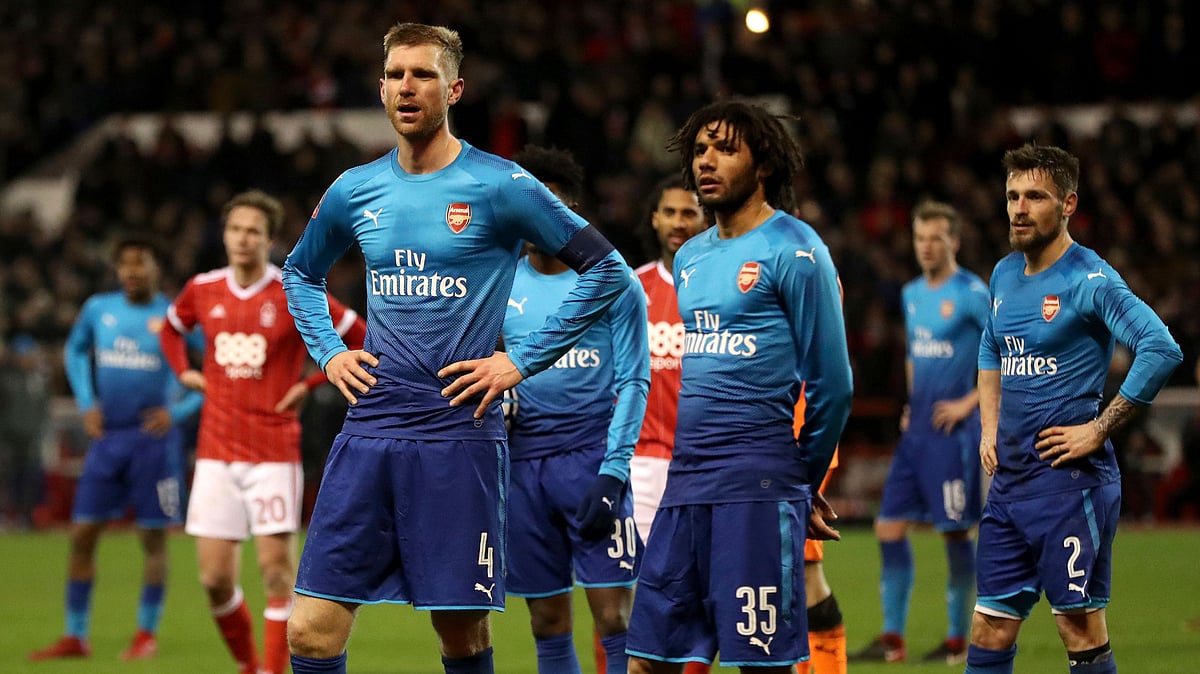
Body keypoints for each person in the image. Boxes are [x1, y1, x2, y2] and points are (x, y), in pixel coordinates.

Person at [280, 23, 631, 674]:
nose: (406, 87)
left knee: (460, 638)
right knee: (309, 632)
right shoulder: (356, 189)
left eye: (423, 75)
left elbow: (608, 272)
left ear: (454, 89)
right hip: (372, 429)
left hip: (458, 434)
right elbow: (299, 273)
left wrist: (520, 360)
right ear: (381, 88)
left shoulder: (502, 186)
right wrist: (329, 350)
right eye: (395, 74)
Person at [625, 101, 854, 673]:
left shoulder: (796, 250)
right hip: (685, 482)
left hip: (757, 483)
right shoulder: (692, 258)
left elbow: (833, 383)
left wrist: (801, 478)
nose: (707, 161)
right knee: (648, 657)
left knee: (761, 661)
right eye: (701, 149)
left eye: (726, 149)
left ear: (764, 166)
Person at [967, 144, 1182, 674]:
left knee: (1078, 625)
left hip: (1071, 485)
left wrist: (1097, 429)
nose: (1019, 208)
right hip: (1011, 484)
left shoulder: (1090, 279)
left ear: (1068, 204)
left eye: (1034, 196)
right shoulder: (1003, 275)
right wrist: (988, 427)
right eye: (1013, 195)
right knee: (989, 627)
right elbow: (990, 347)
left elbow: (1161, 349)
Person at [159, 190, 366, 674]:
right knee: (213, 579)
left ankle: (270, 672)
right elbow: (170, 329)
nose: (243, 239)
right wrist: (182, 372)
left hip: (273, 450)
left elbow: (358, 335)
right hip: (215, 452)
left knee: (276, 573)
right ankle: (249, 665)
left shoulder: (295, 289)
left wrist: (314, 381)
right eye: (235, 229)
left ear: (270, 239)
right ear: (225, 235)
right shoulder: (202, 288)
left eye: (253, 231)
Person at [502, 145, 649, 674]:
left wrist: (614, 472)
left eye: (555, 206)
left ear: (573, 214)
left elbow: (635, 379)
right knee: (546, 620)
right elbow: (482, 365)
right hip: (523, 467)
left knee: (613, 617)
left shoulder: (615, 282)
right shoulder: (499, 283)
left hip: (591, 460)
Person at [29, 236, 202, 662]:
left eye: (139, 264)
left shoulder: (174, 316)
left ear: (155, 269)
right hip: (108, 440)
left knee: (153, 539)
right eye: (124, 265)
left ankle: (146, 634)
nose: (131, 272)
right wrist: (87, 403)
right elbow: (74, 350)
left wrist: (177, 412)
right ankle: (76, 636)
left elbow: (215, 366)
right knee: (83, 533)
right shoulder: (98, 309)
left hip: (154, 445)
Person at [851, 201, 989, 666]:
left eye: (936, 238)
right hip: (918, 435)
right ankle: (893, 639)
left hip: (955, 436)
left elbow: (1009, 355)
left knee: (954, 533)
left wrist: (970, 403)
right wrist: (913, 404)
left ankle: (957, 641)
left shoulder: (972, 292)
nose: (927, 247)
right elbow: (914, 354)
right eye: (920, 238)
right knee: (887, 527)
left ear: (955, 241)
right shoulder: (910, 294)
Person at [630, 175, 707, 542]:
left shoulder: (723, 288)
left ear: (705, 219)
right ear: (655, 218)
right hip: (643, 461)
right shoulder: (632, 288)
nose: (679, 222)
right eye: (670, 212)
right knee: (645, 584)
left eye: (689, 213)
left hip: (706, 457)